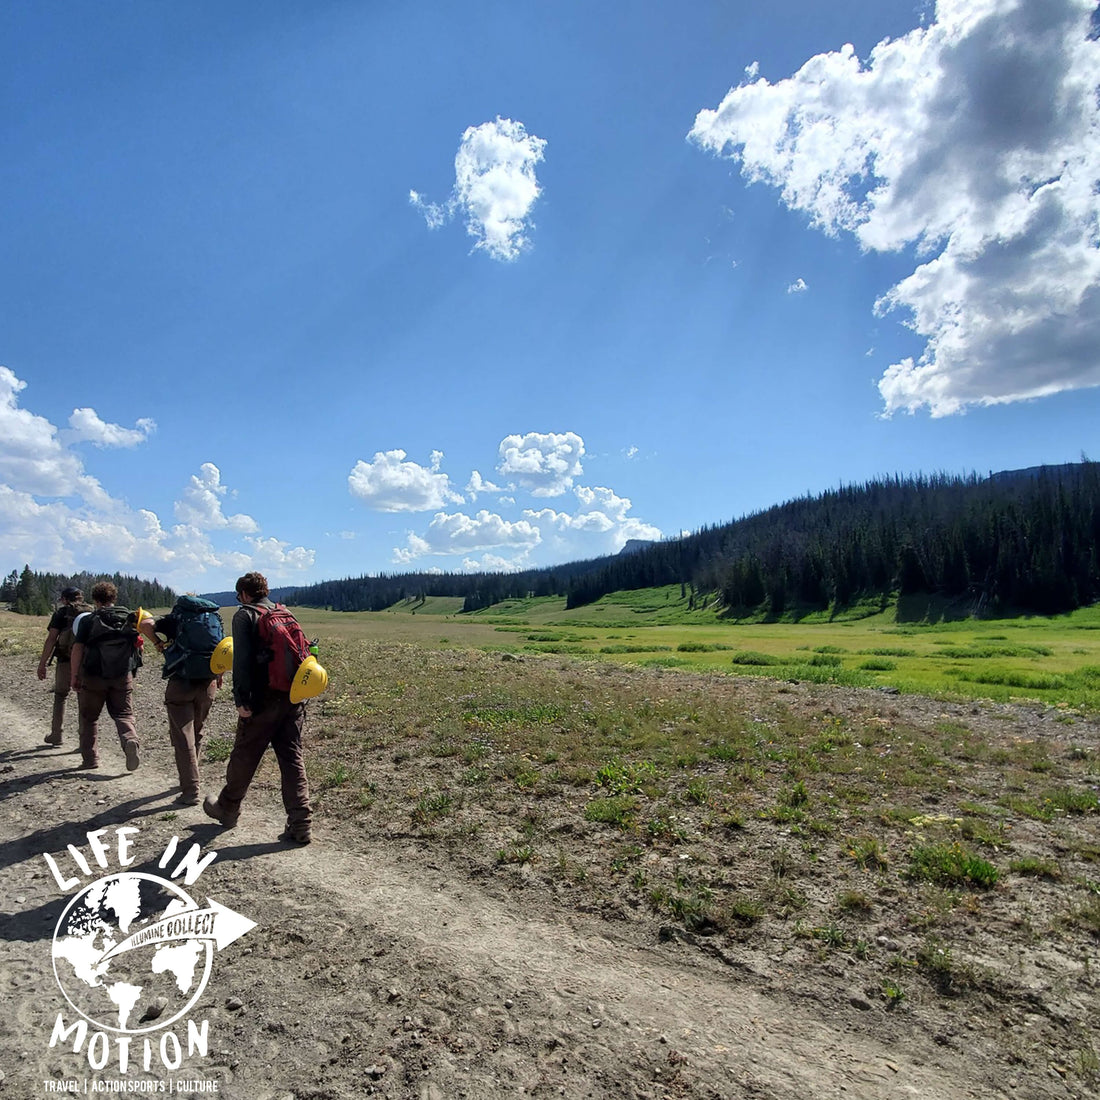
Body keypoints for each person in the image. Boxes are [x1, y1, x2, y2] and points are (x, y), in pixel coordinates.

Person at [204, 572, 313, 844]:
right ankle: (301, 823)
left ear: (243, 594)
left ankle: (227, 808)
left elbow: (241, 661)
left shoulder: (245, 615)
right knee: (291, 758)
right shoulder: (284, 612)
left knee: (245, 754)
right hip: (293, 697)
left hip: (263, 699)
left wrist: (241, 700)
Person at [139, 596, 225, 806]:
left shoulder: (176, 618)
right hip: (208, 682)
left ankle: (190, 789)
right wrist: (219, 674)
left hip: (181, 682)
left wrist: (158, 643)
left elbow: (145, 623)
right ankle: (191, 777)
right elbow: (223, 648)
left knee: (182, 736)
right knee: (197, 730)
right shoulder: (213, 618)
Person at [70, 581, 146, 771]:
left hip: (94, 675)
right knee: (124, 714)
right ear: (114, 598)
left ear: (95, 599)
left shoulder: (88, 620)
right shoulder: (129, 617)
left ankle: (90, 759)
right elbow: (140, 645)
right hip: (122, 674)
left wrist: (74, 675)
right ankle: (130, 740)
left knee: (89, 718)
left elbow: (77, 649)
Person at [36, 586, 86, 746]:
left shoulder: (61, 613)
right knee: (83, 698)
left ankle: (57, 734)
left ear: (65, 599)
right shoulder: (90, 613)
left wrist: (42, 663)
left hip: (65, 659)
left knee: (60, 695)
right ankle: (85, 740)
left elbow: (51, 639)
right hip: (86, 661)